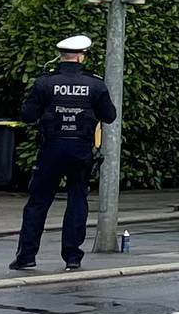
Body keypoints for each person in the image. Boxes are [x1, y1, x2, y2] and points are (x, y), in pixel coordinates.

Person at [13, 34, 118, 270]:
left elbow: (28, 116)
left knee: (38, 202)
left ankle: (26, 256)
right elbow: (109, 116)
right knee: (77, 201)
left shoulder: (45, 83)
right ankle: (72, 257)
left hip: (51, 149)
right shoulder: (95, 83)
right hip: (80, 150)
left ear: (61, 57)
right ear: (81, 57)